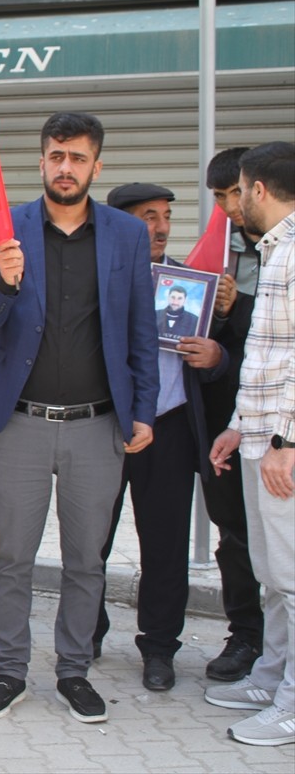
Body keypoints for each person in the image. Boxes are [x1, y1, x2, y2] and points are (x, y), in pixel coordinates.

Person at [0, 112, 159, 724]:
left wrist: (144, 411)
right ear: (42, 160)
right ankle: (10, 671)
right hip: (21, 423)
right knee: (13, 557)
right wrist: (3, 284)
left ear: (96, 166)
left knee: (85, 560)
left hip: (97, 425)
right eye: (56, 155)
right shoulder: (7, 228)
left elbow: (140, 332)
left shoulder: (127, 235)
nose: (66, 167)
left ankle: (74, 672)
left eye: (78, 158)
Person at [92, 182, 229, 692]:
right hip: (104, 425)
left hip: (168, 428)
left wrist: (216, 354)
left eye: (166, 215)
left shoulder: (194, 285)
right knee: (90, 542)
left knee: (166, 546)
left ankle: (159, 648)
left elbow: (230, 360)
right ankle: (86, 634)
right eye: (149, 216)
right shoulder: (100, 279)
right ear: (122, 224)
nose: (161, 226)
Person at [205, 140, 295, 748]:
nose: (233, 204)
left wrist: (288, 439)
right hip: (261, 439)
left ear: (257, 189)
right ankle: (271, 678)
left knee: (292, 577)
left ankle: (291, 705)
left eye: (237, 191)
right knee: (273, 574)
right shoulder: (275, 251)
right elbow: (266, 355)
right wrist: (241, 422)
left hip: (285, 446)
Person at [199, 147, 267, 683]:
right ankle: (247, 635)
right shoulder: (222, 254)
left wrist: (236, 308)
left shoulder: (282, 251)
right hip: (229, 421)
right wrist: (218, 312)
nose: (230, 207)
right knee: (235, 535)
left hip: (279, 424)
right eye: (221, 198)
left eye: (235, 193)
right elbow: (215, 348)